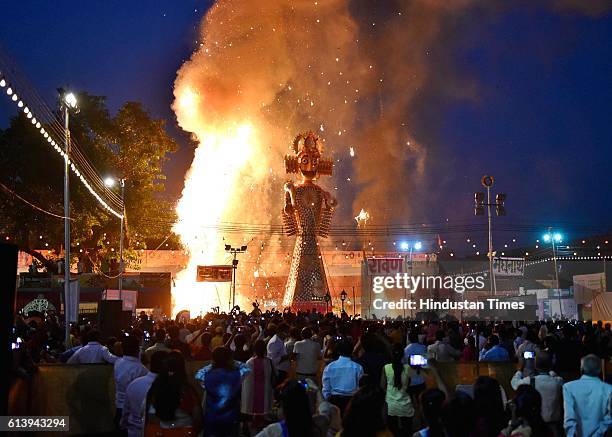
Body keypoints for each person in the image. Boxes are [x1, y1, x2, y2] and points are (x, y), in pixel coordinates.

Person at [195, 346, 250, 436]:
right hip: (231, 419)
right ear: (229, 359)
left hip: (212, 419)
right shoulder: (236, 376)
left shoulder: (207, 376)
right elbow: (245, 368)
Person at [146, 351, 202, 435]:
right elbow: (197, 417)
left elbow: (149, 415)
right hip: (184, 432)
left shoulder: (155, 388)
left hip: (161, 431)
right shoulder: (187, 391)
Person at [255, 379, 330, 437]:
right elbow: (325, 409)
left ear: (284, 407)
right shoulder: (318, 425)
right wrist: (317, 391)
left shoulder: (274, 431)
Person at [510, 351, 563, 432]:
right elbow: (553, 374)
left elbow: (514, 383)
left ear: (535, 365)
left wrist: (520, 369)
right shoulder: (558, 381)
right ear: (551, 364)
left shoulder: (529, 381)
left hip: (535, 427)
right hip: (555, 426)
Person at [562, 354, 612, 437]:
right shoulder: (609, 389)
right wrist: (598, 434)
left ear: (581, 368)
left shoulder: (568, 387)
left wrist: (571, 434)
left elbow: (569, 416)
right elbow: (609, 418)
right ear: (600, 370)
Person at [121, 350, 168, 437]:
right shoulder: (170, 388)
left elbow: (126, 412)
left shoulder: (134, 384)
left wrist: (123, 426)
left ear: (150, 364)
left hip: (134, 432)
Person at [114, 335, 148, 428]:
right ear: (137, 349)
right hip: (134, 411)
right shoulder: (141, 369)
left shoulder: (117, 363)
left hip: (119, 407)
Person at [322, 339, 363, 416]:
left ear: (338, 351)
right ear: (351, 350)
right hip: (351, 400)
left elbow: (326, 387)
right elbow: (359, 386)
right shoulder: (358, 367)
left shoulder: (330, 367)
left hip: (334, 399)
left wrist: (328, 398)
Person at [381, 344, 415, 436]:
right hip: (406, 405)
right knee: (407, 431)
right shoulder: (408, 368)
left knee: (393, 431)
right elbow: (410, 386)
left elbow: (382, 386)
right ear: (403, 355)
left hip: (391, 406)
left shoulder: (386, 368)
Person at [242, 340, 275, 432]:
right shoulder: (269, 362)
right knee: (263, 410)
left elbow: (244, 378)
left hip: (251, 392)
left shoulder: (249, 362)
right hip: (266, 390)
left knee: (253, 410)